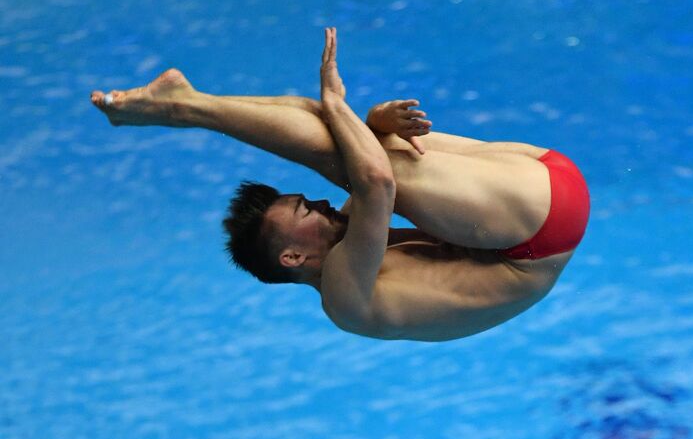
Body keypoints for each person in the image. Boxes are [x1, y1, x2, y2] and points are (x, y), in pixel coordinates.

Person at [91, 28, 590, 343]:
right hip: (539, 228)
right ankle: (183, 107)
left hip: (539, 183)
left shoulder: (346, 243)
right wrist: (335, 98)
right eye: (307, 212)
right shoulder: (345, 296)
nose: (325, 206)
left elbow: (368, 153)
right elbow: (374, 180)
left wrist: (369, 118)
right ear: (291, 258)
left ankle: (191, 100)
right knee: (341, 145)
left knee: (335, 133)